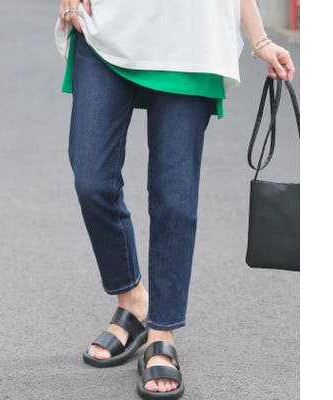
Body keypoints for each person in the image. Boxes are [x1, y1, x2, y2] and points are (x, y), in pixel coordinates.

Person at [56, 1, 296, 398]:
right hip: (106, 26)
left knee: (174, 198)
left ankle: (161, 331)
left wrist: (260, 40)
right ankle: (133, 299)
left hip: (192, 40)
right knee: (92, 180)